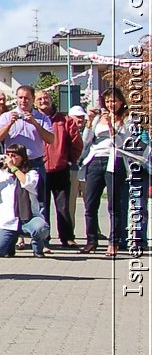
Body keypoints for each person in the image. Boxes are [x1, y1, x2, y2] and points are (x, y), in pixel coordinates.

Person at [82, 87, 137, 256]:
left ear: (121, 102)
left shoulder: (126, 119)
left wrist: (112, 127)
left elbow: (122, 143)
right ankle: (91, 240)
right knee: (90, 204)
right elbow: (86, 140)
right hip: (95, 160)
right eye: (107, 101)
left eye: (114, 101)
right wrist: (90, 123)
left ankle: (114, 242)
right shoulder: (99, 118)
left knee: (114, 205)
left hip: (114, 161)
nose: (111, 104)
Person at [0, 84, 54, 212]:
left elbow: (51, 139)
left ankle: (40, 230)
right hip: (14, 164)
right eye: (20, 98)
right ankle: (16, 230)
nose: (23, 101)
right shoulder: (6, 116)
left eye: (26, 98)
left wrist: (35, 123)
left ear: (32, 99)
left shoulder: (42, 118)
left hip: (34, 163)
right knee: (13, 200)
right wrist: (9, 124)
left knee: (39, 201)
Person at [0, 143, 46, 258]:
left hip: (28, 219)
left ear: (22, 158)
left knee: (41, 228)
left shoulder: (32, 173)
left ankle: (37, 248)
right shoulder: (0, 174)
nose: (11, 158)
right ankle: (9, 244)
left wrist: (14, 168)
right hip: (7, 222)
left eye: (14, 156)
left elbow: (28, 183)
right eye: (8, 155)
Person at [35, 90, 82, 246]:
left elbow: (76, 143)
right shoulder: (32, 120)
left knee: (63, 206)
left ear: (51, 99)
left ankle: (67, 237)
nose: (43, 101)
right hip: (40, 169)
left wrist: (69, 160)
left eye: (46, 98)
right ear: (35, 102)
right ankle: (44, 238)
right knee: (42, 206)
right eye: (40, 99)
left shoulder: (65, 120)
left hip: (60, 168)